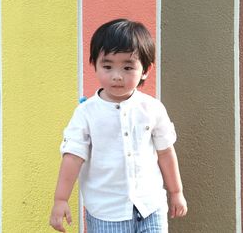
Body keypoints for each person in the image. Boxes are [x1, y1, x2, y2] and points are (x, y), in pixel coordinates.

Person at [49, 18, 187, 233]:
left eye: (127, 67)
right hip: (106, 212)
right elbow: (73, 157)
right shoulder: (86, 114)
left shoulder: (152, 108)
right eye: (107, 66)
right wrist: (61, 199)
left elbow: (165, 152)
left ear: (145, 70)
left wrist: (176, 192)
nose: (117, 76)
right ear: (94, 64)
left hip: (150, 206)